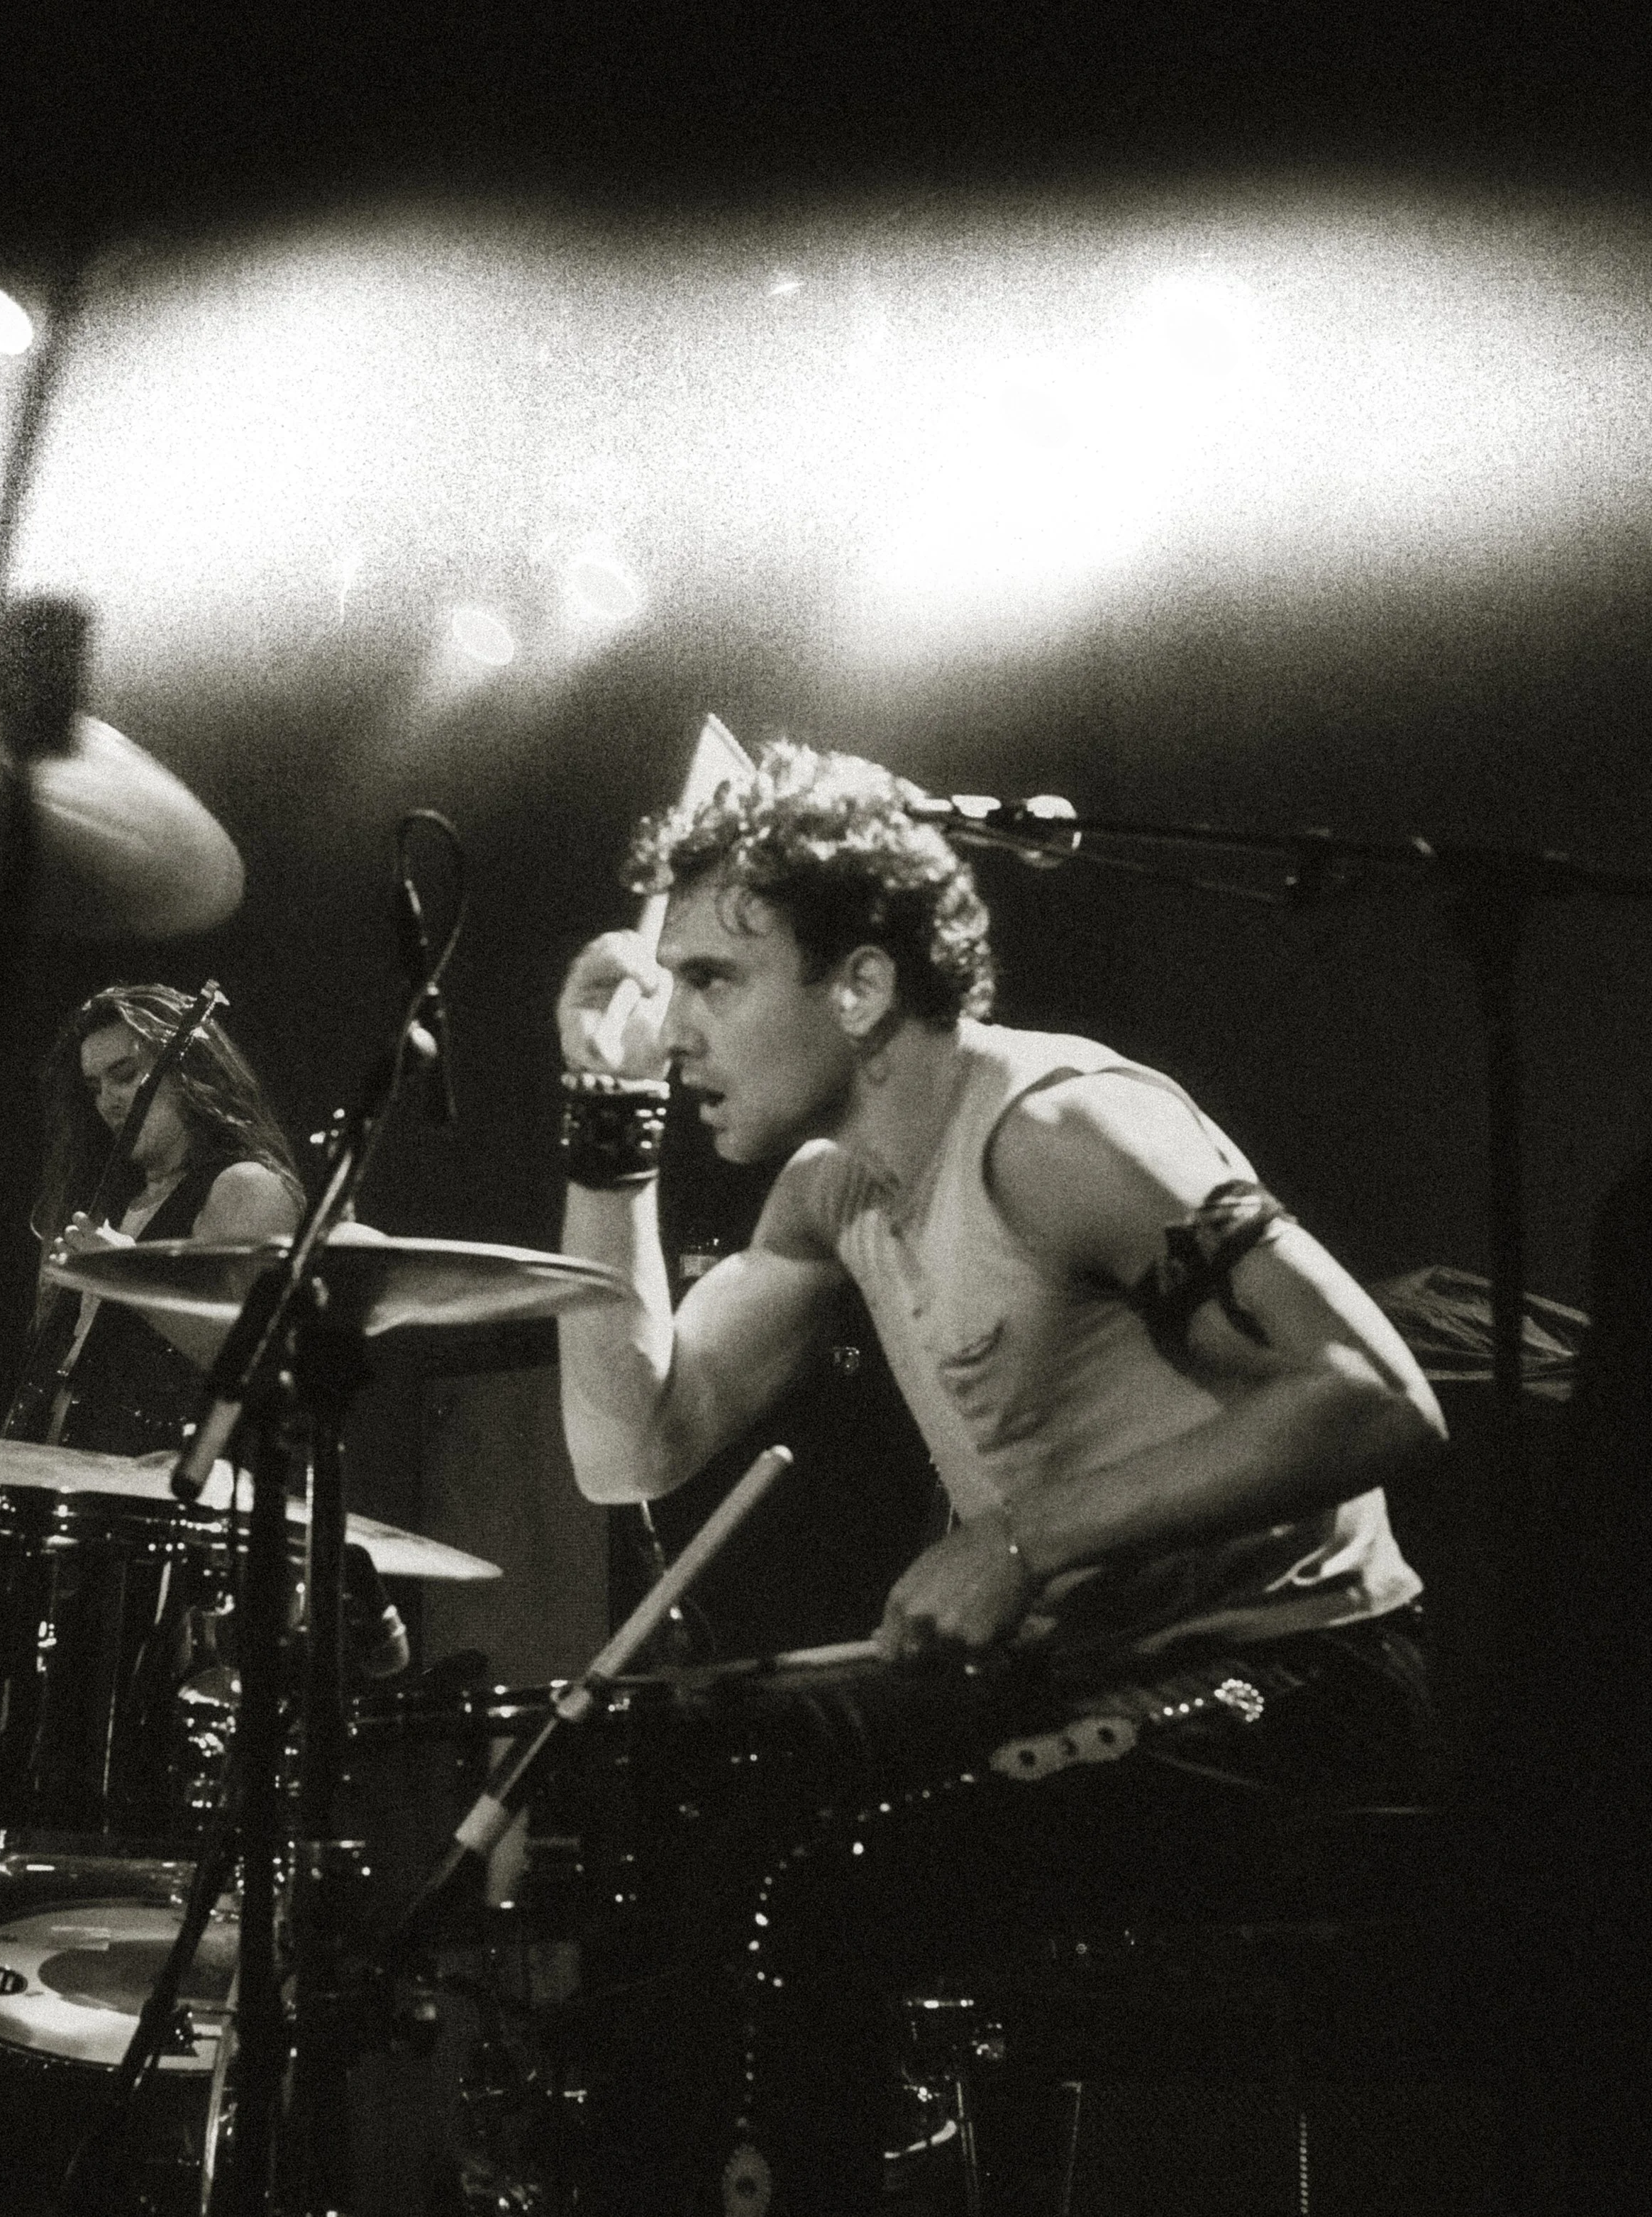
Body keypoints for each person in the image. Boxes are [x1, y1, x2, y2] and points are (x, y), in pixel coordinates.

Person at [551, 743, 1446, 2210]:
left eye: (711, 980)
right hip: (1092, 1683)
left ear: (855, 984)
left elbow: (1379, 1396)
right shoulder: (829, 1185)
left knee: (820, 1885)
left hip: (1302, 1681)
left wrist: (1027, 1534)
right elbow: (624, 1445)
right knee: (671, 1782)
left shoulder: (1057, 1129)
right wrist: (604, 1121)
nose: (677, 1026)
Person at [8, 983, 303, 1456]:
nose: (108, 1100)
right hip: (66, 1472)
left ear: (190, 1072)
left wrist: (130, 1276)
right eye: (94, 1086)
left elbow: (250, 1360)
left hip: (159, 1490)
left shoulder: (245, 1185)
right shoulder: (115, 1203)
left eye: (124, 1075)